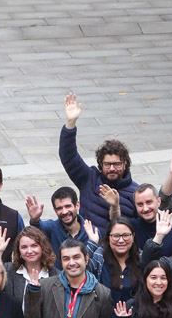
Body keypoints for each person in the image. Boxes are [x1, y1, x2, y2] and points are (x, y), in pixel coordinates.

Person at [59, 93, 138, 231]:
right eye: (107, 164)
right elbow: (68, 156)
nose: (112, 168)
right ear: (101, 164)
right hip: (88, 246)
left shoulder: (135, 193)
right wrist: (70, 124)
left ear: (125, 163)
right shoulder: (88, 178)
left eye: (117, 164)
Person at [26, 186, 102, 261]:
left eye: (68, 206)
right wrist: (35, 219)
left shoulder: (92, 232)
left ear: (77, 205)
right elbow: (39, 229)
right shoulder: (51, 228)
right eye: (59, 208)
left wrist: (92, 243)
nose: (64, 212)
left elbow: (98, 262)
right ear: (55, 210)